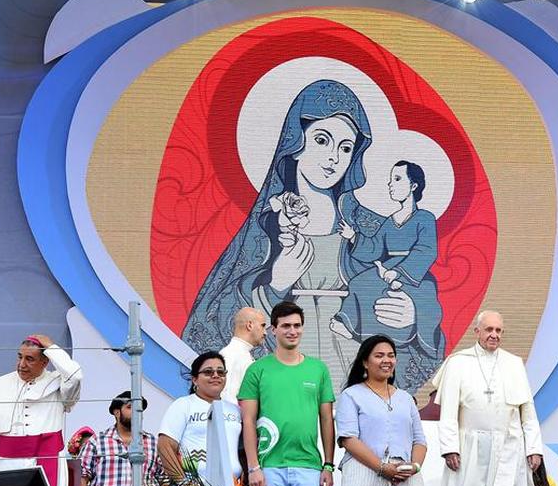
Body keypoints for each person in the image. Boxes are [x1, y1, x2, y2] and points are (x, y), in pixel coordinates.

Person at [183, 80, 433, 391]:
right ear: (296, 142)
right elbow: (217, 316)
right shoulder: (266, 225)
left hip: (349, 361)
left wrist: (412, 318)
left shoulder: (366, 226)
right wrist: (276, 284)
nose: (334, 158)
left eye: (345, 148)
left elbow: (415, 283)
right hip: (289, 362)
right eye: (322, 140)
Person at [432, 310, 546, 486]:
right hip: (470, 448)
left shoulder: (513, 363)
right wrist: (450, 448)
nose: (494, 335)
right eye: (489, 330)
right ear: (477, 331)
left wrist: (534, 448)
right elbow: (449, 413)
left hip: (509, 448)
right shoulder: (458, 362)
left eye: (498, 330)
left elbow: (528, 412)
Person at [331, 160, 446, 391]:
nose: (390, 184)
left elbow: (426, 250)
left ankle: (399, 338)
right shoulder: (390, 221)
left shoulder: (424, 218)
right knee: (360, 283)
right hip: (388, 269)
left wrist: (399, 272)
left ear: (413, 185)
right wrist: (354, 236)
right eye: (390, 179)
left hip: (415, 274)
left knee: (405, 299)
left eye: (397, 179)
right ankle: (355, 329)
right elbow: (375, 247)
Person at [240, 302, 336, 486]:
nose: (292, 331)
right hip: (268, 468)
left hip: (309, 467)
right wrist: (253, 468)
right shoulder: (257, 370)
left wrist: (328, 466)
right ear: (273, 329)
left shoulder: (318, 369)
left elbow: (326, 419)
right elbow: (248, 420)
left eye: (297, 325)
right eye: (285, 326)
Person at [0, 334, 82, 486]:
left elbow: (75, 375)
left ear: (45, 362)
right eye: (20, 357)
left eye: (30, 359)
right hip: (5, 466)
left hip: (49, 464)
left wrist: (50, 346)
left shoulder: (59, 385)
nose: (22, 364)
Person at [336, 334, 427, 486]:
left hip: (404, 477)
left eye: (391, 355)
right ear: (365, 362)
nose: (386, 360)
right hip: (365, 472)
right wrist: (382, 468)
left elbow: (419, 440)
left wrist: (414, 467)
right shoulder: (351, 395)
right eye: (379, 356)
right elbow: (348, 439)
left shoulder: (405, 398)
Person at [158, 352, 243, 486]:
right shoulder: (183, 405)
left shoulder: (235, 410)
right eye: (208, 372)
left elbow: (243, 450)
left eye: (221, 372)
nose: (215, 375)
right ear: (195, 380)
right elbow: (165, 446)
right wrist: (184, 484)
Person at [80, 391, 160, 486]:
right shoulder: (97, 441)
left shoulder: (153, 442)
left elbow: (164, 479)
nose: (137, 412)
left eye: (140, 409)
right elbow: (82, 477)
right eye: (130, 407)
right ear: (117, 412)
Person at [220, 307, 268, 404]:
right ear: (250, 325)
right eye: (262, 326)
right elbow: (226, 396)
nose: (265, 332)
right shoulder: (231, 354)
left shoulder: (241, 354)